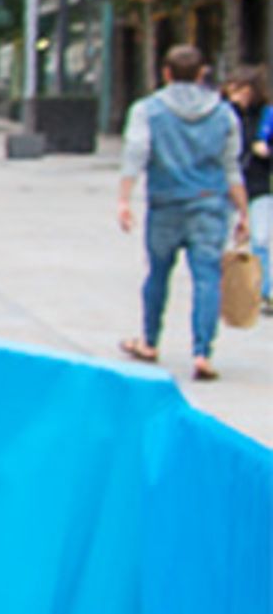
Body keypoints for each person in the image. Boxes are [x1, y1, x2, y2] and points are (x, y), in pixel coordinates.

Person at [116, 43, 245, 383]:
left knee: (158, 273)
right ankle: (202, 352)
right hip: (210, 203)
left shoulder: (148, 110)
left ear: (166, 73)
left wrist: (124, 198)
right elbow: (231, 167)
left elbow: (136, 152)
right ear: (203, 74)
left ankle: (149, 341)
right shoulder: (223, 113)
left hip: (166, 202)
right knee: (207, 278)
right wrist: (243, 211)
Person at [230, 63, 273, 316]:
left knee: (260, 239)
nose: (236, 95)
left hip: (258, 185)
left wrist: (267, 152)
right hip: (229, 186)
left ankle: (262, 292)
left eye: (241, 89)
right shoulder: (225, 115)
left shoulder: (267, 116)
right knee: (225, 238)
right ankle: (228, 290)